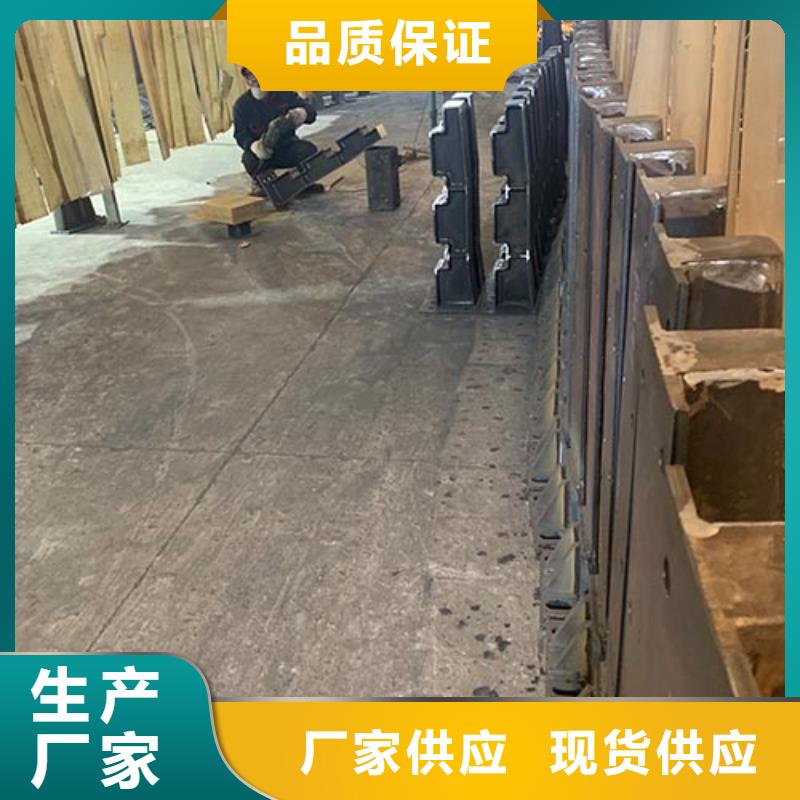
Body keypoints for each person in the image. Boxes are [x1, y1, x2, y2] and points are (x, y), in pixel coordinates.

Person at [233, 68, 323, 197]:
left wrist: (299, 115)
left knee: (308, 151)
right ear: (246, 79)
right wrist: (255, 147)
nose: (254, 79)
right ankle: (262, 183)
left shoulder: (284, 94)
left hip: (287, 146)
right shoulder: (241, 106)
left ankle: (304, 181)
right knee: (249, 159)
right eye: (249, 76)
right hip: (264, 154)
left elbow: (311, 112)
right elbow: (240, 135)